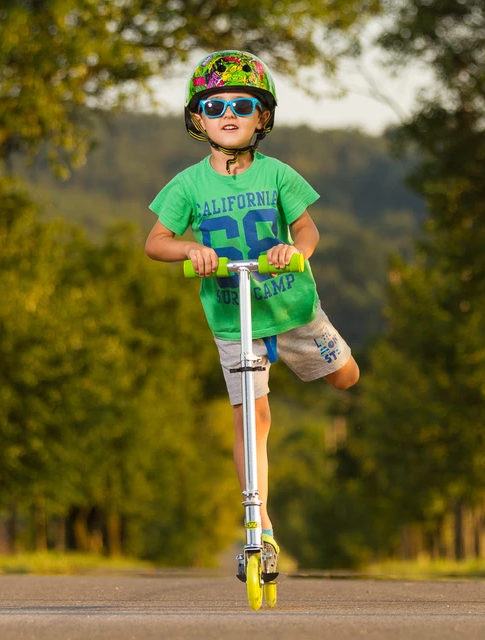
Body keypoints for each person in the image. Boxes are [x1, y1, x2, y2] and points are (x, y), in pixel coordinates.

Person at [145, 50, 359, 576]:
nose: (229, 114)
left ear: (262, 116)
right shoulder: (188, 185)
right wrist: (190, 251)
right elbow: (156, 242)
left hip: (290, 307)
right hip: (232, 316)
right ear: (198, 119)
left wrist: (297, 251)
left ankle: (330, 356)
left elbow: (307, 229)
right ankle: (258, 523)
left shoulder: (280, 175)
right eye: (215, 106)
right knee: (252, 420)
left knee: (344, 379)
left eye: (242, 104)